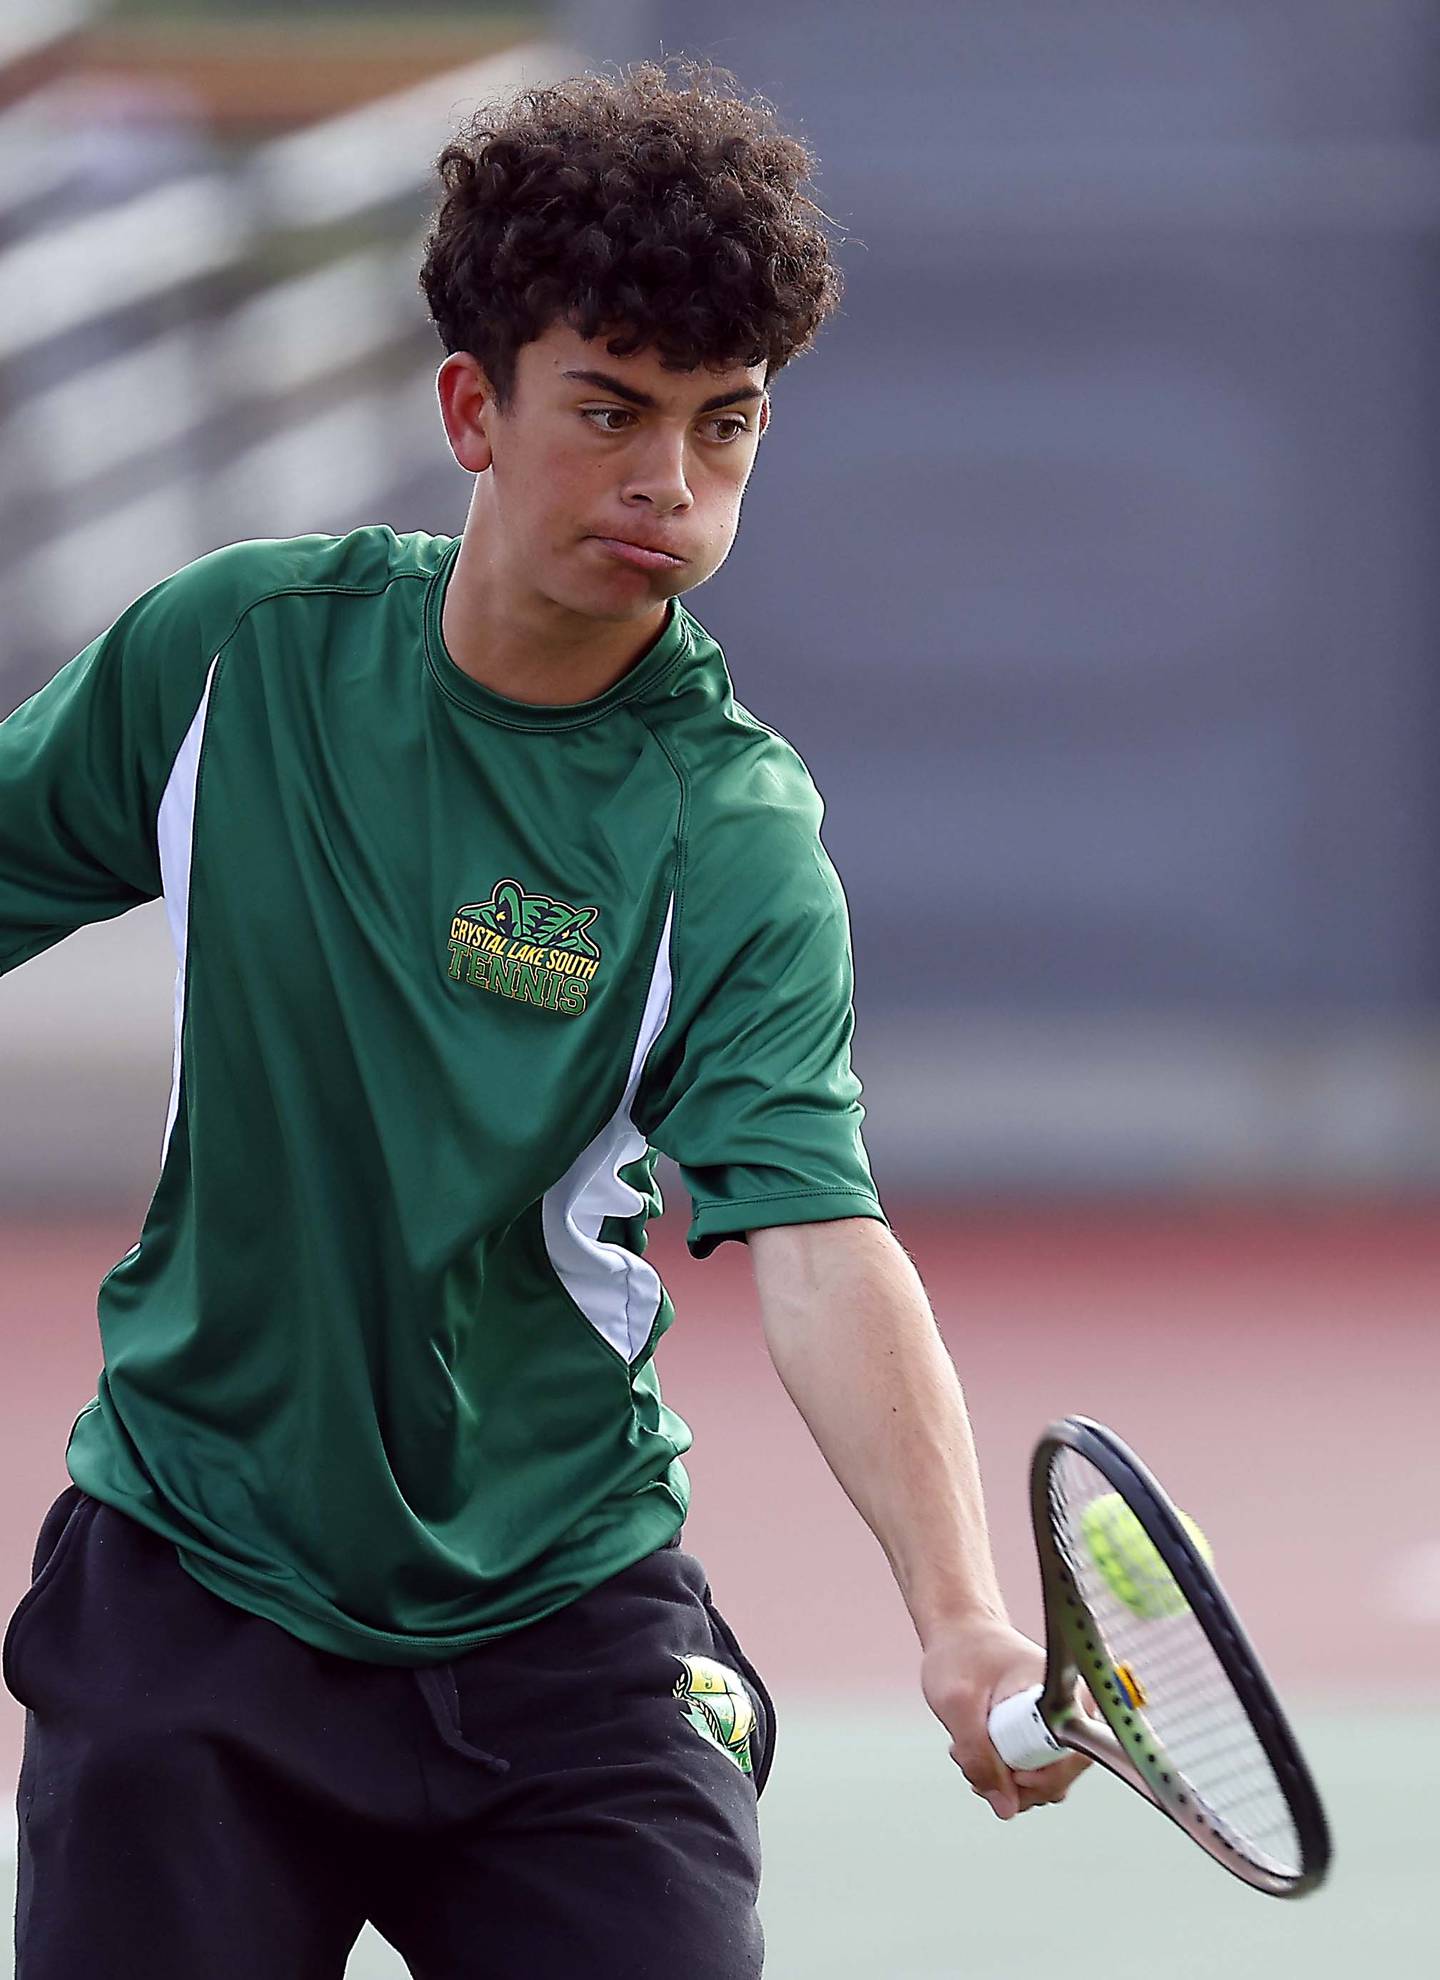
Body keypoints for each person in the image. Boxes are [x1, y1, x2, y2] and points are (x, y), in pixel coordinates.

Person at [0, 56, 1085, 1980]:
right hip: (194, 1582)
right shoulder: (238, 658)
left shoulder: (727, 827)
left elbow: (820, 1239)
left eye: (724, 428)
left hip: (567, 1630)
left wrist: (959, 1609)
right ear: (471, 411)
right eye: (610, 412)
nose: (668, 485)